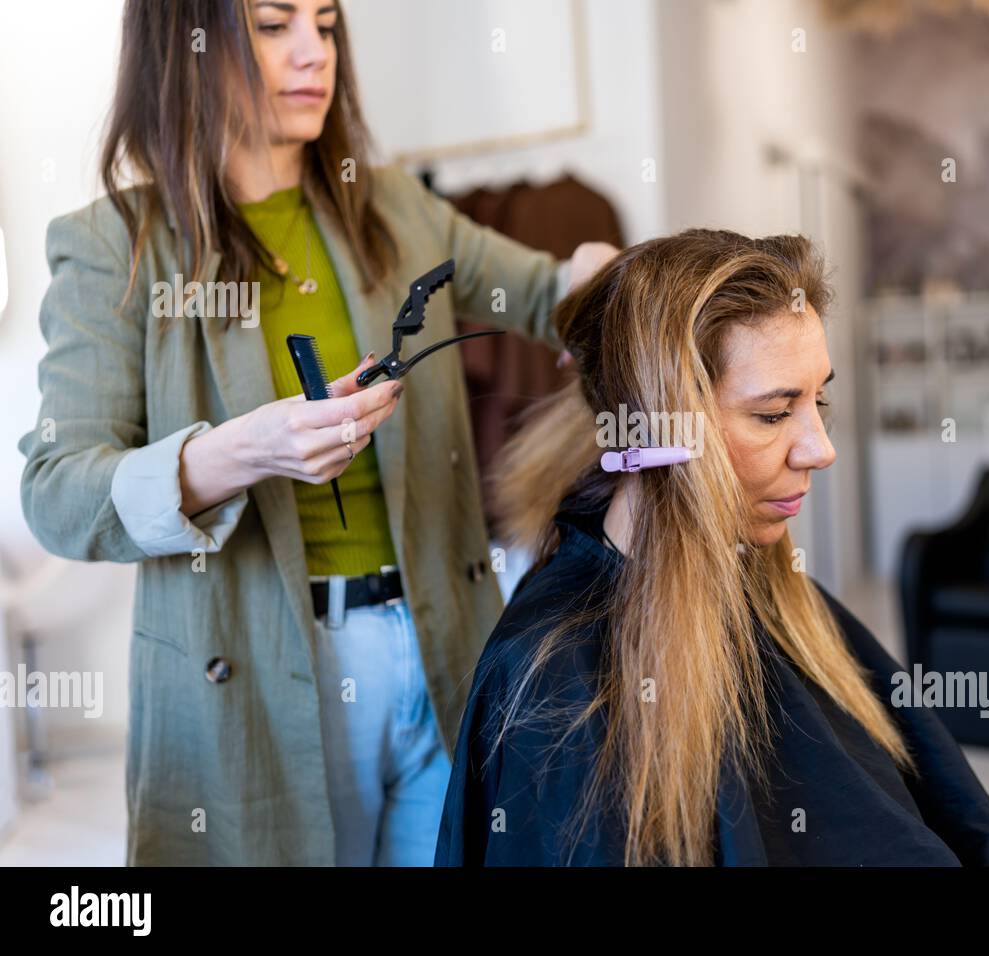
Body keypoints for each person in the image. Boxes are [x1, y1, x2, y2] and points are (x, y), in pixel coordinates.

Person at [434, 229, 989, 867]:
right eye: (774, 413)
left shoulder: (780, 600)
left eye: (820, 402)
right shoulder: (556, 682)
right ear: (660, 427)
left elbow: (977, 839)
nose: (820, 448)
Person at [18, 0, 615, 865]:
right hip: (262, 674)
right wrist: (238, 452)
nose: (314, 53)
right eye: (273, 24)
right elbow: (57, 492)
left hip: (443, 646)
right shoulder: (115, 247)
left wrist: (597, 277)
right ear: (184, 44)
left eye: (327, 24)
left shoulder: (393, 208)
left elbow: (543, 292)